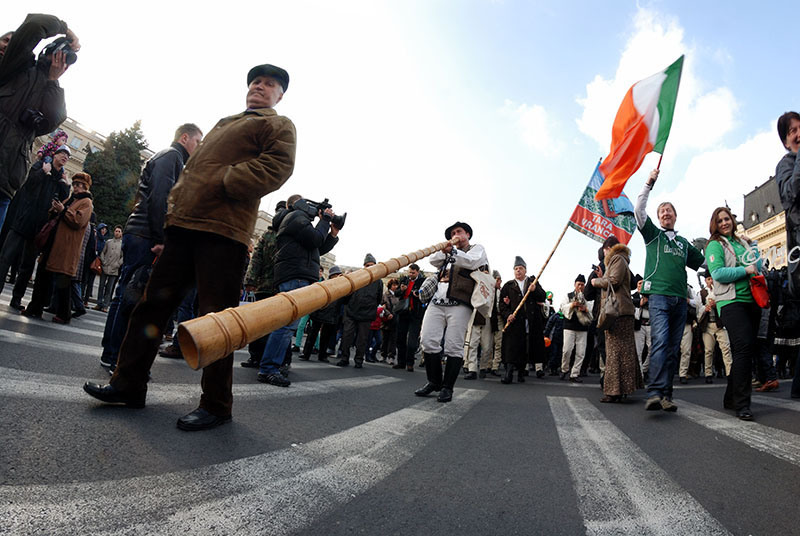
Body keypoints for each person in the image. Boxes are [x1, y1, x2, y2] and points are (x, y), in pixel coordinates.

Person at [83, 64, 297, 431]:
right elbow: (192, 172)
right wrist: (174, 212)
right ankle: (128, 384)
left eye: (269, 84)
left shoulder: (278, 124)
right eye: (255, 82)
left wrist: (226, 181)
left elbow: (278, 166)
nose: (259, 87)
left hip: (224, 231)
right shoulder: (226, 122)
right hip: (184, 227)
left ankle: (217, 403)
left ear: (280, 94)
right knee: (151, 306)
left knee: (218, 319)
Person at [98, 123, 203, 370]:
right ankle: (116, 357)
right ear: (184, 137)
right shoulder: (172, 156)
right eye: (198, 142)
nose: (200, 147)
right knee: (130, 297)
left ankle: (111, 352)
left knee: (124, 295)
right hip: (145, 234)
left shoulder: (172, 158)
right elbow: (160, 199)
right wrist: (160, 239)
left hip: (141, 232)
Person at [0, 14, 79, 230]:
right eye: (60, 53)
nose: (61, 60)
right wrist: (66, 30)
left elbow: (52, 121)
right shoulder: (17, 65)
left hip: (5, 181)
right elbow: (33, 25)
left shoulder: (51, 90)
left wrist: (53, 81)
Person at [636, 168, 704, 412]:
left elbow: (706, 264)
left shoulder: (683, 243)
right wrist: (649, 183)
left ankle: (666, 395)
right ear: (658, 217)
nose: (666, 213)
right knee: (661, 342)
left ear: (675, 216)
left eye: (669, 210)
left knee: (673, 349)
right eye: (662, 211)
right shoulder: (653, 235)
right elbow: (639, 210)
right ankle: (654, 392)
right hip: (659, 297)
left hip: (680, 301)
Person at [258, 194, 340, 385]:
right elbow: (314, 240)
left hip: (298, 274)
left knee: (288, 326)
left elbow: (317, 248)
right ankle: (268, 368)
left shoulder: (297, 220)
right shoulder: (295, 217)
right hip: (295, 275)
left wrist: (332, 233)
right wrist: (325, 220)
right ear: (298, 204)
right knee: (285, 325)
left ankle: (273, 365)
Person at [415, 222, 488, 402]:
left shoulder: (476, 249)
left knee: (453, 346)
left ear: (467, 234)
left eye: (459, 232)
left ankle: (447, 387)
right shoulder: (448, 252)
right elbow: (433, 260)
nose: (455, 235)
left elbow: (471, 261)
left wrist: (452, 251)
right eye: (452, 233)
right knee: (427, 341)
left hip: (460, 303)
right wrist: (445, 249)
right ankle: (434, 381)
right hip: (437, 301)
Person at [705, 206, 763, 421]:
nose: (724, 223)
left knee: (745, 350)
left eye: (727, 219)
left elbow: (757, 266)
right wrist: (744, 270)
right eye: (720, 220)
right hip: (730, 302)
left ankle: (731, 397)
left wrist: (753, 244)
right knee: (743, 348)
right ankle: (742, 404)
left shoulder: (742, 242)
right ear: (715, 224)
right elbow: (718, 273)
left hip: (752, 300)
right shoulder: (714, 244)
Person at [0, 145, 70, 309]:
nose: (65, 157)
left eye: (67, 156)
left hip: (39, 226)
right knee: (5, 258)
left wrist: (66, 185)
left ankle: (17, 299)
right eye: (62, 153)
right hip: (23, 220)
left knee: (27, 265)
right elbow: (28, 183)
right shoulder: (41, 166)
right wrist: (43, 172)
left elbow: (63, 198)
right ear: (55, 155)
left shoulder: (61, 177)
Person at [22, 172, 93, 323]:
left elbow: (78, 221)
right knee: (42, 277)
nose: (76, 187)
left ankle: (64, 314)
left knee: (63, 283)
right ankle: (35, 308)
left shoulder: (86, 202)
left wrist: (63, 210)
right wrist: (54, 209)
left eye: (79, 185)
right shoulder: (71, 199)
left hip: (67, 248)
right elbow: (58, 216)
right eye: (75, 184)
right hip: (53, 245)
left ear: (85, 187)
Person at [590, 236, 644, 402]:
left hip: (618, 312)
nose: (604, 254)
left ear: (609, 248)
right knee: (623, 351)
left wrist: (596, 281)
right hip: (623, 311)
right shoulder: (622, 259)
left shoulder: (617, 258)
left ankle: (614, 391)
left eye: (605, 250)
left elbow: (614, 281)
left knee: (615, 352)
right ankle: (622, 389)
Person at [498, 256, 546, 384]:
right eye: (516, 269)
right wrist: (508, 314)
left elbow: (542, 296)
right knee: (511, 346)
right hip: (514, 321)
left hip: (529, 320)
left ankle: (521, 373)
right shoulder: (508, 286)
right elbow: (502, 305)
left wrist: (535, 290)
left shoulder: (532, 282)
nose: (518, 271)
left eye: (520, 268)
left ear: (525, 270)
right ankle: (508, 374)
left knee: (525, 346)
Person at [336, 253, 383, 368]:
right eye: (367, 265)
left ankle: (359, 360)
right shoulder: (356, 277)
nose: (370, 267)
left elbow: (378, 298)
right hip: (351, 312)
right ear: (364, 266)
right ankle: (344, 358)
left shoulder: (379, 281)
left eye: (372, 265)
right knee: (347, 336)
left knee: (362, 339)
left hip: (367, 314)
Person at [300, 265, 344, 363]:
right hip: (320, 313)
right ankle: (307, 353)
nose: (337, 276)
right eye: (335, 275)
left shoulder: (342, 287)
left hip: (329, 315)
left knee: (325, 337)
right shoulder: (326, 285)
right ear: (331, 276)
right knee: (312, 335)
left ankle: (321, 355)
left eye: (338, 274)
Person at [697, 272, 733, 382]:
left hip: (720, 324)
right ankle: (708, 373)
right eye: (708, 279)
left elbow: (727, 306)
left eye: (712, 279)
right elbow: (698, 310)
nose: (711, 281)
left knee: (726, 349)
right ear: (705, 281)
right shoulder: (701, 293)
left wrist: (716, 305)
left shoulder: (720, 291)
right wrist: (705, 309)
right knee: (708, 350)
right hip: (708, 325)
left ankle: (730, 373)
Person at [559, 275, 592, 382]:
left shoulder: (587, 297)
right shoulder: (568, 296)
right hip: (569, 326)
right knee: (567, 350)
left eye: (582, 285)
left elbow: (592, 310)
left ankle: (574, 374)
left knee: (580, 352)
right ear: (575, 285)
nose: (580, 287)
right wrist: (572, 305)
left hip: (583, 328)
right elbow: (562, 307)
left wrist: (585, 309)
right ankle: (564, 369)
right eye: (579, 284)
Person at [394, 263, 425, 371]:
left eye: (413, 273)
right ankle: (401, 362)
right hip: (403, 312)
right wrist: (401, 290)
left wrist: (417, 294)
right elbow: (396, 293)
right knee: (400, 338)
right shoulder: (404, 280)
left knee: (412, 341)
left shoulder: (422, 281)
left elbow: (425, 295)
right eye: (410, 272)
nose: (411, 274)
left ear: (418, 272)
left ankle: (410, 362)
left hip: (415, 313)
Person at [95, 226, 123, 311]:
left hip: (114, 269)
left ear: (121, 233)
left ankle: (105, 305)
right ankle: (99, 303)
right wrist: (103, 261)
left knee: (109, 288)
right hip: (105, 266)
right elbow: (103, 252)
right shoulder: (108, 242)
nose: (117, 233)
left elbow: (123, 257)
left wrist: (118, 264)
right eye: (116, 231)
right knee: (101, 286)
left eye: (119, 231)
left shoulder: (122, 244)